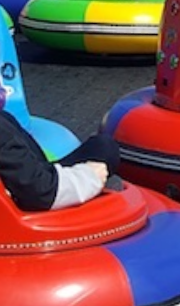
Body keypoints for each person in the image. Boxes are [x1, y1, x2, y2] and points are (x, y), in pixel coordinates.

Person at [0, 81, 122, 211]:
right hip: (32, 202)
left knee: (101, 146)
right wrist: (91, 175)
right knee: (105, 149)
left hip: (28, 182)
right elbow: (41, 192)